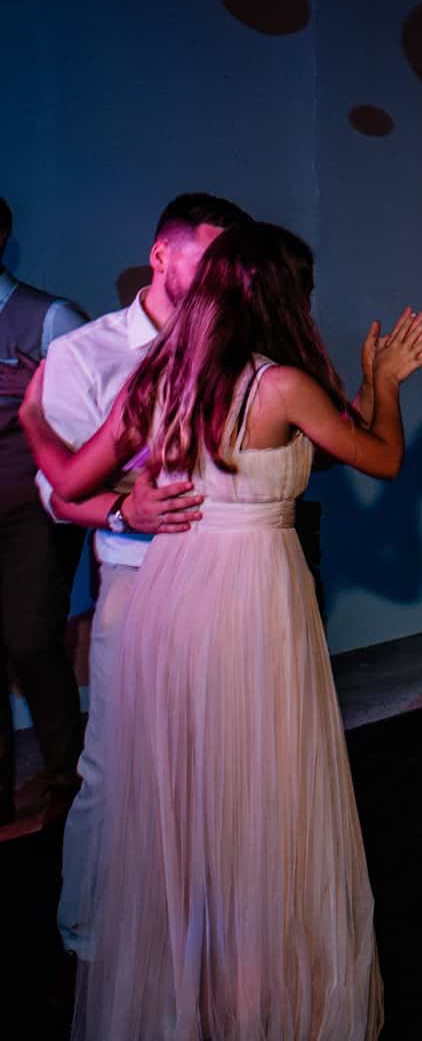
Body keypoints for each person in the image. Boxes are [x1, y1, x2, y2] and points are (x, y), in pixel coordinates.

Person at [22, 221, 422, 1038]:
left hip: (172, 594)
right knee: (259, 793)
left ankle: (188, 983)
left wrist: (35, 416)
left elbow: (66, 477)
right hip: (251, 594)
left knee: (185, 791)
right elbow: (384, 456)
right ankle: (251, 1000)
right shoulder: (280, 384)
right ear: (278, 294)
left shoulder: (160, 378)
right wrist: (382, 380)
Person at [36, 192, 247, 952]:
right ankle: (86, 927)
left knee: (212, 761)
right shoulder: (86, 352)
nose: (225, 274)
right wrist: (127, 511)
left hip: (228, 579)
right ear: (161, 255)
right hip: (137, 579)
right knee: (116, 765)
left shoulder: (236, 354)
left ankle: (194, 917)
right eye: (210, 256)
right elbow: (56, 492)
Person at [0, 196, 88, 830]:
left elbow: (94, 425)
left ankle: (66, 776)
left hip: (34, 505)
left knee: (31, 638)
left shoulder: (48, 317)